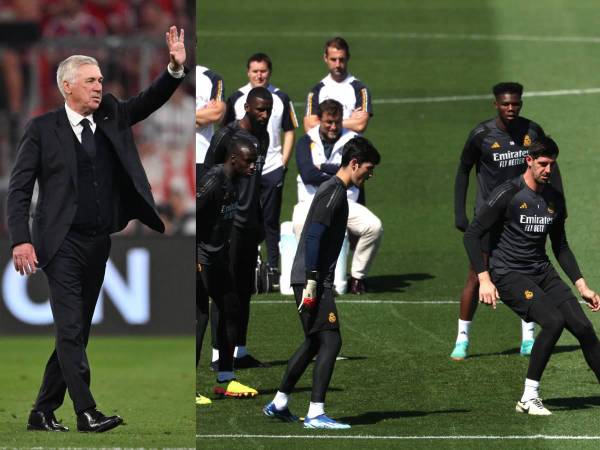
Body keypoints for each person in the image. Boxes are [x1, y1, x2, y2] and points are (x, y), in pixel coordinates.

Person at [6, 26, 187, 433]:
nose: (99, 86)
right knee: (71, 329)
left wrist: (174, 70)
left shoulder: (111, 114)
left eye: (101, 80)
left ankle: (41, 411)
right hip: (60, 243)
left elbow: (150, 100)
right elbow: (18, 190)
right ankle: (86, 411)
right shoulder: (41, 130)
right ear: (67, 86)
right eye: (91, 81)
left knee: (76, 332)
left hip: (98, 242)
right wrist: (21, 238)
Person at [463, 136, 600, 415]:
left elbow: (560, 246)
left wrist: (582, 285)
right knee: (553, 322)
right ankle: (528, 397)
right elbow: (472, 234)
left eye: (552, 164)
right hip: (509, 273)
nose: (548, 170)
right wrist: (485, 279)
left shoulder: (554, 198)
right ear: (529, 161)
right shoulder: (508, 193)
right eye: (543, 164)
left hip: (542, 270)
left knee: (584, 328)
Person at [264, 136, 380, 429]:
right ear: (354, 164)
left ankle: (279, 403)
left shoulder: (333, 190)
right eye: (369, 167)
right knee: (331, 339)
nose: (370, 174)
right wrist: (314, 280)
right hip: (311, 278)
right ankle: (316, 413)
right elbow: (314, 235)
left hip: (308, 276)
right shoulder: (335, 192)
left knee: (315, 341)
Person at [450, 82, 562, 360]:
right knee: (476, 275)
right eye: (505, 104)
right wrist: (460, 213)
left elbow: (548, 166)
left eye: (516, 104)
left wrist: (557, 203)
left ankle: (527, 338)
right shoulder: (481, 134)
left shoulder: (532, 131)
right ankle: (462, 338)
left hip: (522, 214)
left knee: (526, 271)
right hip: (489, 215)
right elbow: (463, 170)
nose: (511, 108)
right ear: (496, 104)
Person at [203, 86, 272, 369]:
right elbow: (207, 174)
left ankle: (239, 351)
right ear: (246, 107)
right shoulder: (226, 135)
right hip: (228, 226)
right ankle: (220, 354)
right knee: (224, 292)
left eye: (268, 110)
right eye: (260, 109)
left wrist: (258, 223)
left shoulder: (263, 137)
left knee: (245, 289)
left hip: (250, 226)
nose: (265, 115)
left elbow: (255, 184)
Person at [223, 53, 298, 284]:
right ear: (248, 72)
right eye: (255, 71)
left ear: (270, 72)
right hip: (244, 171)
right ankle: (245, 263)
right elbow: (227, 133)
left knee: (270, 219)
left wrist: (283, 162)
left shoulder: (281, 98)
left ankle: (274, 267)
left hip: (272, 166)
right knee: (242, 216)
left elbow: (290, 129)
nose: (259, 75)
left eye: (263, 71)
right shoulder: (236, 98)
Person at [293, 99, 382, 294]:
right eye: (329, 122)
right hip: (310, 201)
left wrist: (323, 167)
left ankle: (357, 278)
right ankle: (311, 277)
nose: (334, 127)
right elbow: (308, 174)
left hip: (346, 201)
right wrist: (340, 171)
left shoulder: (353, 140)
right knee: (300, 224)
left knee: (374, 227)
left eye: (338, 122)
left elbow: (359, 169)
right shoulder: (305, 141)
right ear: (319, 121)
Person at [196, 137, 259, 404]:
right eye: (249, 161)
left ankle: (225, 378)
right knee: (198, 319)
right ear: (234, 159)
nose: (253, 167)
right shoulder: (212, 181)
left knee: (230, 308)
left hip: (217, 256)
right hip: (200, 258)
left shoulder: (235, 181)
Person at [195, 63, 225, 405]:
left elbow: (216, 110)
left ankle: (223, 369)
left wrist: (184, 116)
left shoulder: (209, 76)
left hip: (202, 163)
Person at [304, 37, 372, 134]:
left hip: (350, 148)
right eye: (333, 59)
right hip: (324, 149)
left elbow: (360, 125)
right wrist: (349, 121)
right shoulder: (317, 91)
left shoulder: (360, 89)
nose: (337, 65)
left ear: (348, 57)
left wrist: (324, 122)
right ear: (325, 58)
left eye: (341, 59)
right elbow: (309, 127)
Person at [195, 65, 225, 170]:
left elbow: (217, 114)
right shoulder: (162, 76)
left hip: (202, 158)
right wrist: (204, 114)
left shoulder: (212, 78)